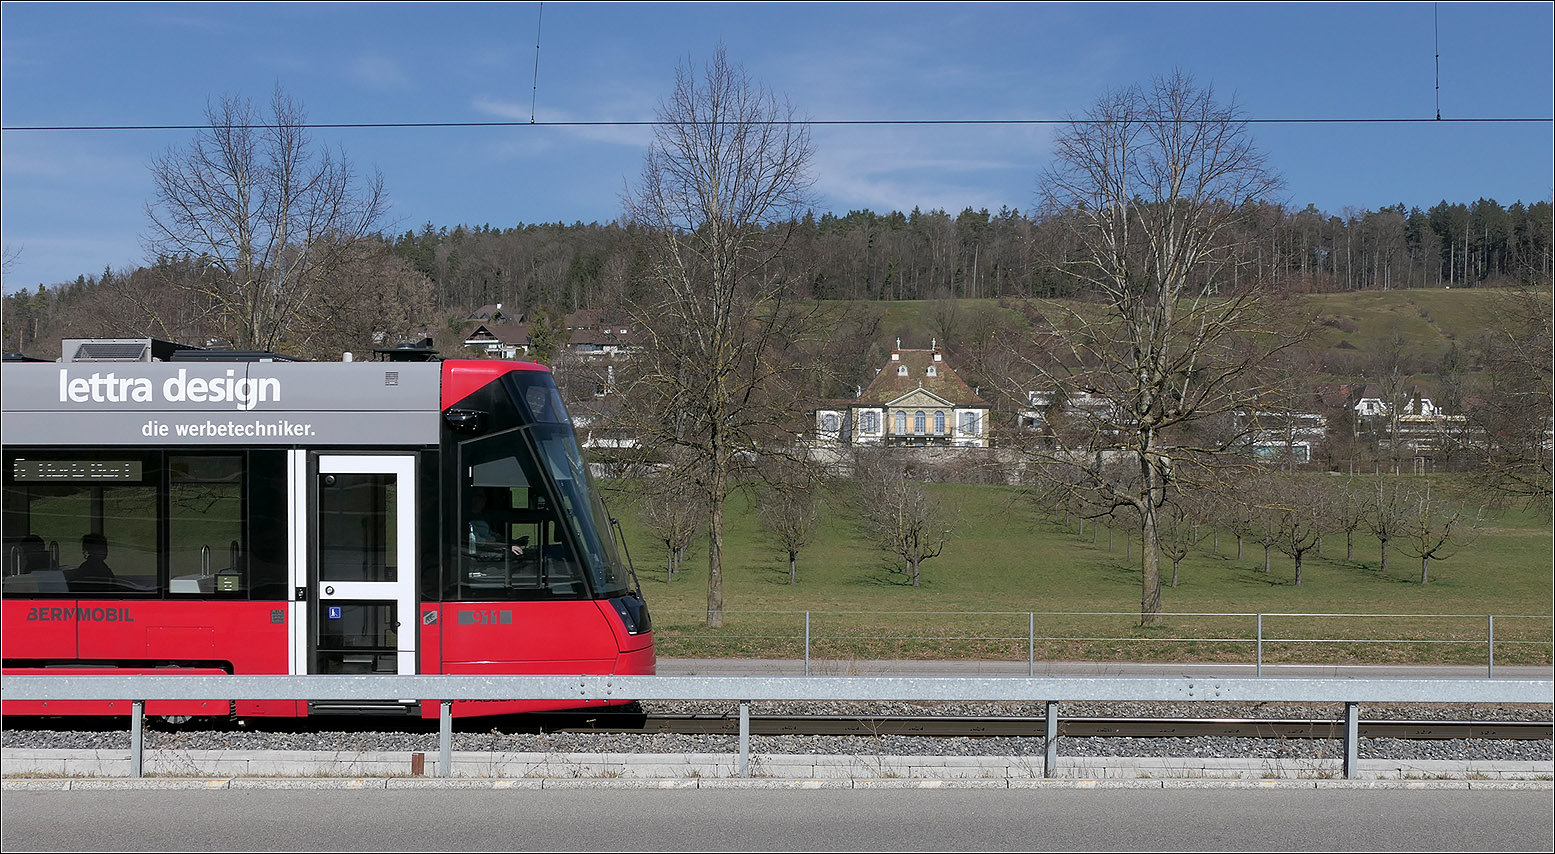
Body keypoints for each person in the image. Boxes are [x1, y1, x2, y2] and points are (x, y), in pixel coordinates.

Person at [467, 489, 525, 559]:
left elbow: (493, 535)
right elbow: (479, 542)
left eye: (484, 497)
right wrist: (508, 546)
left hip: (490, 551)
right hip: (477, 556)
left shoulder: (481, 518)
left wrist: (513, 542)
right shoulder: (465, 520)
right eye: (480, 496)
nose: (484, 499)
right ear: (473, 498)